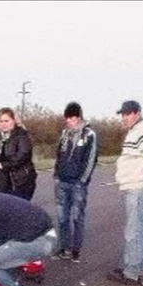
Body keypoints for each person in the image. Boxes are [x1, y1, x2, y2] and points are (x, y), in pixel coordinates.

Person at [107, 100, 143, 286]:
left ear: (137, 113)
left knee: (134, 231)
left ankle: (132, 272)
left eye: (127, 114)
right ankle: (131, 266)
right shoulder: (136, 132)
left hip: (137, 188)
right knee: (136, 229)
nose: (124, 117)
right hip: (133, 186)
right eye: (122, 114)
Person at [52, 102, 98, 263]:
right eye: (67, 118)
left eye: (71, 118)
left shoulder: (89, 134)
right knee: (62, 218)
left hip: (78, 184)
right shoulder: (64, 134)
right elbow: (59, 155)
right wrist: (56, 175)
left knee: (77, 217)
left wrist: (83, 180)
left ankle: (75, 250)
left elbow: (91, 159)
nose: (68, 121)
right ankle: (64, 248)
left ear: (78, 117)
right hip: (62, 181)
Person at [0, 107, 37, 200]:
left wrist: (2, 165)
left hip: (19, 179)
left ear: (14, 120)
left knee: (17, 209)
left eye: (6, 121)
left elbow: (22, 155)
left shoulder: (22, 135)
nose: (4, 124)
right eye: (1, 121)